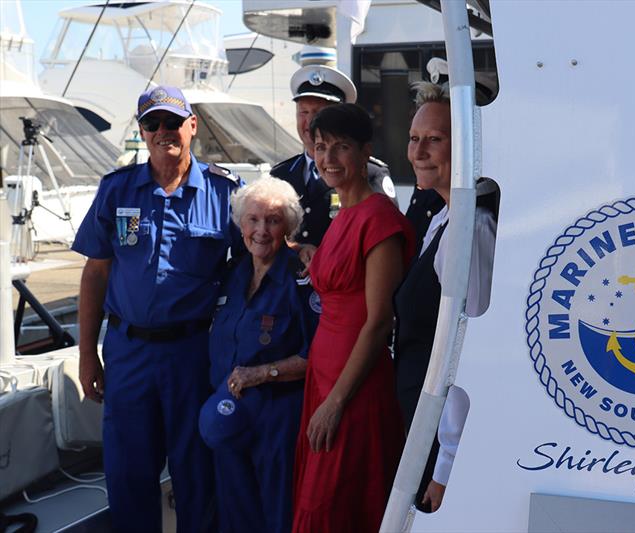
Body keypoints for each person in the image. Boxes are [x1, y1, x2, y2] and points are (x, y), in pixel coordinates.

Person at [73, 86, 240, 533]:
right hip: (128, 354)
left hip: (193, 354)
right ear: (142, 132)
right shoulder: (117, 190)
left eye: (172, 122)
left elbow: (256, 268)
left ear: (192, 126)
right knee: (128, 475)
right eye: (153, 123)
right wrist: (87, 353)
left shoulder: (226, 193)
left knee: (196, 473)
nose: (163, 132)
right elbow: (95, 275)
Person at [292, 104, 415, 533]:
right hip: (324, 377)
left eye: (341, 147)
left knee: (331, 509)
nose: (328, 158)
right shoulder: (342, 215)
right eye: (322, 147)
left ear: (365, 153)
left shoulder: (379, 217)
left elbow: (380, 321)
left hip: (353, 387)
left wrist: (336, 403)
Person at [393, 81, 497, 511]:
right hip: (422, 423)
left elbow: (469, 350)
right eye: (414, 139)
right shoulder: (442, 218)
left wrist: (447, 466)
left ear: (470, 146)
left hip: (442, 439)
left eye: (434, 140)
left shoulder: (470, 230)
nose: (418, 152)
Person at [200, 177, 319, 533]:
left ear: (289, 226)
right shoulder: (232, 275)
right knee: (235, 513)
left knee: (277, 512)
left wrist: (262, 373)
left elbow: (316, 356)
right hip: (230, 414)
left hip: (278, 419)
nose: (262, 230)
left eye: (273, 220)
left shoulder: (302, 277)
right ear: (240, 224)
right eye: (253, 220)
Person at [270, 64, 397, 246]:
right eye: (303, 112)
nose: (310, 122)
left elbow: (381, 233)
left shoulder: (368, 172)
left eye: (319, 113)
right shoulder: (280, 175)